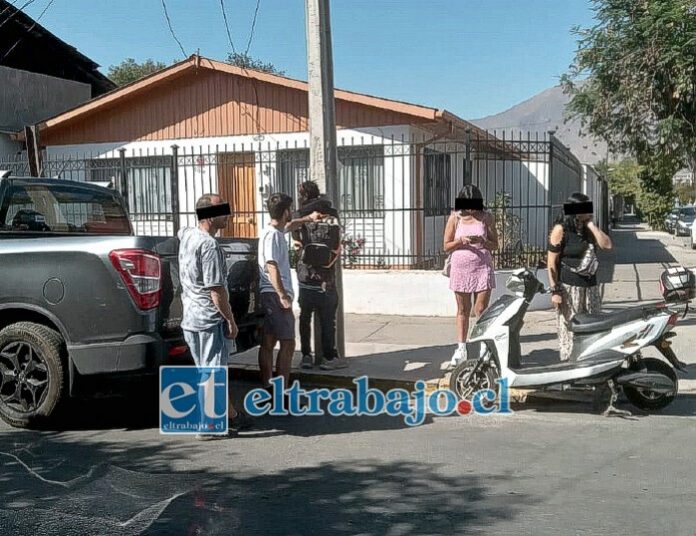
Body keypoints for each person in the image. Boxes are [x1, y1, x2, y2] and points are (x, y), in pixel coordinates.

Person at [178, 193, 252, 440]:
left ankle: (229, 416)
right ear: (209, 216)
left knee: (205, 371)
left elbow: (180, 232)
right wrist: (230, 319)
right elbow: (216, 289)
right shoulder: (209, 245)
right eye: (222, 211)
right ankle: (207, 426)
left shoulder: (188, 235)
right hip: (208, 318)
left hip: (190, 316)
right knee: (212, 373)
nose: (228, 215)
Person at [257, 193, 322, 393]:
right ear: (286, 211)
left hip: (270, 294)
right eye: (290, 210)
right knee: (288, 343)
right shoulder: (272, 236)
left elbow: (289, 226)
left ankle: (269, 385)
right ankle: (281, 391)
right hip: (275, 294)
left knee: (268, 341)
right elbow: (271, 266)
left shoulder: (275, 231)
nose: (291, 213)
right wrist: (283, 295)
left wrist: (308, 218)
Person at [547, 192, 613, 362]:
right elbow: (551, 263)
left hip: (590, 287)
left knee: (593, 325)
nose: (590, 212)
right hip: (569, 288)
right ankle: (569, 363)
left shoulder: (588, 230)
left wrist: (591, 225)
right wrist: (555, 290)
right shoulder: (561, 230)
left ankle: (590, 361)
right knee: (570, 326)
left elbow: (607, 245)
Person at [291, 180, 347, 371]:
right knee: (327, 319)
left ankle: (306, 355)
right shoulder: (331, 213)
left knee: (305, 317)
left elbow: (296, 241)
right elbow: (338, 240)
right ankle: (329, 358)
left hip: (305, 275)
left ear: (302, 195)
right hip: (326, 277)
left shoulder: (299, 215)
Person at [443, 185, 498, 369]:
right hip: (461, 269)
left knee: (481, 309)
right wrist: (461, 241)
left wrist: (483, 241)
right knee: (462, 310)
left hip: (482, 267)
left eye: (474, 205)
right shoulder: (455, 217)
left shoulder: (487, 217)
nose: (472, 210)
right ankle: (461, 348)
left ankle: (484, 346)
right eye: (468, 206)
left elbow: (496, 245)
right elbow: (446, 246)